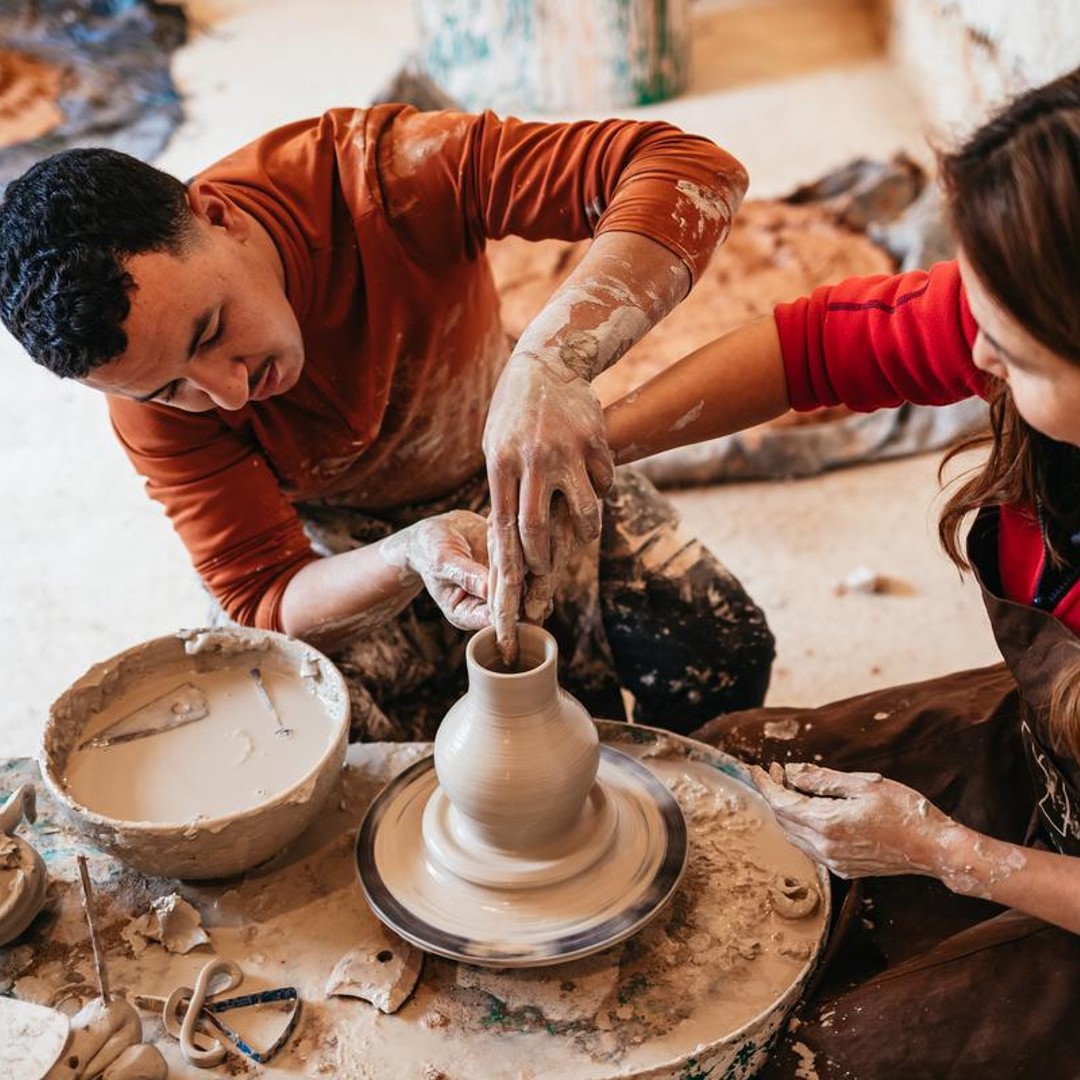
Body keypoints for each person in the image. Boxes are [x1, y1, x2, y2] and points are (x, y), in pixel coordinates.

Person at [0, 105, 774, 740]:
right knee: (307, 739)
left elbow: (686, 167)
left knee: (718, 645)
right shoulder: (146, 392)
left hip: (510, 442)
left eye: (209, 333)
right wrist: (411, 553)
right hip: (339, 538)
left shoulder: (378, 174)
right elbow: (265, 594)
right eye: (172, 389)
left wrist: (553, 363)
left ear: (217, 216)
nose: (228, 395)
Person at [603, 66, 1080, 1075]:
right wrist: (592, 441)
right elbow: (811, 349)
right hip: (1051, 753)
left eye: (1013, 351)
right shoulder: (1032, 312)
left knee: (820, 1058)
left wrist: (951, 855)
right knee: (730, 771)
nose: (976, 360)